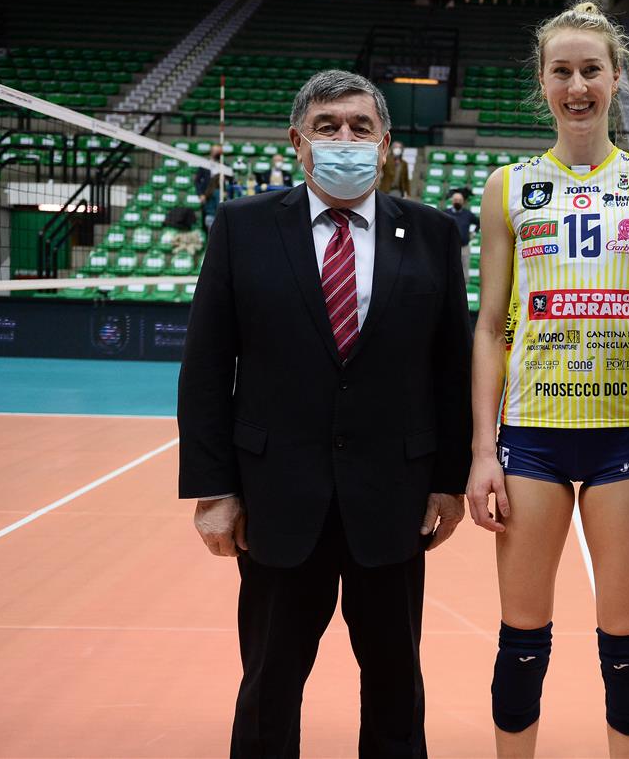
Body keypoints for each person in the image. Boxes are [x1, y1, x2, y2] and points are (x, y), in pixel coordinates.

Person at [177, 69, 473, 758]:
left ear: (386, 144)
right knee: (269, 684)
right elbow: (208, 364)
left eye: (360, 127)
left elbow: (451, 368)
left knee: (396, 684)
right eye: (327, 127)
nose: (345, 138)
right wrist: (213, 489)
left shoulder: (432, 234)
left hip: (394, 498)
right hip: (276, 496)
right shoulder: (243, 226)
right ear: (298, 141)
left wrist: (448, 481)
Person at [466, 0, 629, 759]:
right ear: (542, 82)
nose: (577, 86)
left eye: (591, 69)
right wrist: (483, 451)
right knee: (521, 643)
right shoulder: (508, 186)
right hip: (530, 436)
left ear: (617, 78)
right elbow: (490, 325)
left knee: (625, 646)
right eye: (561, 71)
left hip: (623, 435)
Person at [444, 188, 480, 282]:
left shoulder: (468, 214)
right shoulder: (445, 213)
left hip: (464, 247)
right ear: (452, 201)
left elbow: (479, 222)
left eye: (460, 200)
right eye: (456, 200)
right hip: (450, 247)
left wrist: (474, 233)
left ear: (463, 201)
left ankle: (464, 288)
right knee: (449, 269)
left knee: (464, 271)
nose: (458, 202)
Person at [195, 144, 224, 231]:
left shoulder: (224, 166)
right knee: (207, 220)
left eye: (219, 151)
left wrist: (225, 191)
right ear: (211, 152)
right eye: (216, 151)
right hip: (207, 196)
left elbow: (231, 180)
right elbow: (197, 181)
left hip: (219, 195)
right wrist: (200, 194)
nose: (217, 153)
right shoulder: (205, 164)